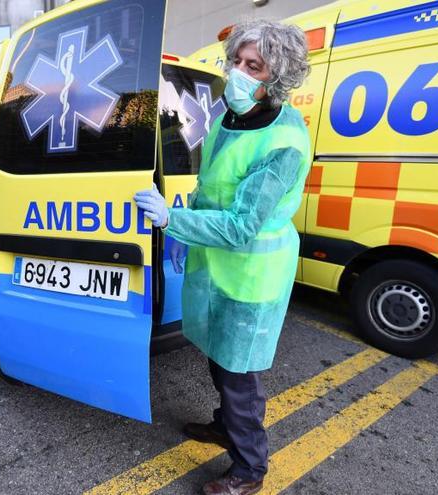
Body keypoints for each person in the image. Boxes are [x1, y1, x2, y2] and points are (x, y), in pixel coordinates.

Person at [134, 19, 311, 495]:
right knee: (219, 358)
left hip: (253, 273)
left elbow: (240, 226)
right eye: (237, 60)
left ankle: (249, 470)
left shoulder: (284, 143)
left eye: (254, 65)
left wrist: (173, 221)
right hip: (218, 266)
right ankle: (225, 426)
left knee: (239, 376)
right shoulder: (232, 118)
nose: (238, 71)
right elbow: (215, 190)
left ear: (277, 77)